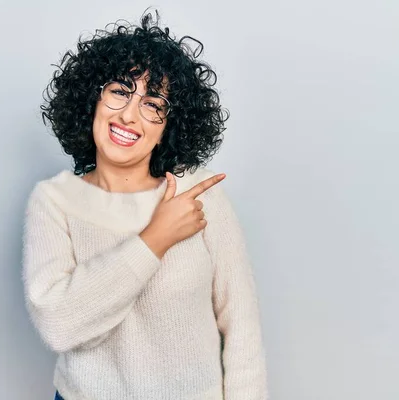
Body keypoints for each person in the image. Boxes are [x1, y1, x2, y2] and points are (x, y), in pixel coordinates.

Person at [22, 11, 268, 400]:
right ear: (92, 99)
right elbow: (59, 325)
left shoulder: (199, 196)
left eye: (154, 104)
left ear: (168, 126)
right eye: (120, 91)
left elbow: (242, 328)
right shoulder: (54, 202)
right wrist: (155, 239)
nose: (129, 114)